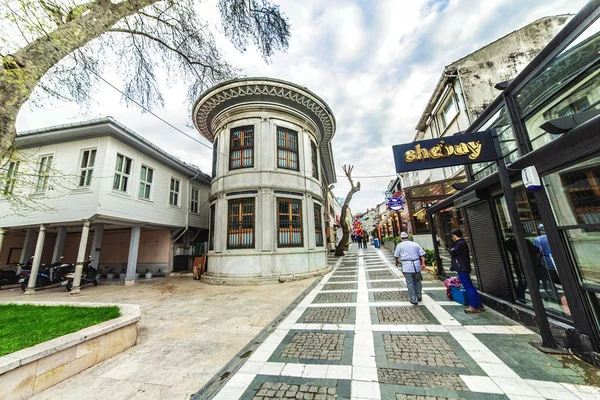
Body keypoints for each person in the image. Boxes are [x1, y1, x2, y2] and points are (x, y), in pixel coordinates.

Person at [449, 228, 484, 313]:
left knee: (468, 286)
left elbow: (452, 251)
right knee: (469, 286)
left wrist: (451, 250)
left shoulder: (460, 244)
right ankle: (478, 304)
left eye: (453, 235)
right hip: (463, 266)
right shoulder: (462, 243)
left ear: (455, 235)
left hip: (462, 267)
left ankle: (474, 306)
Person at [394, 232, 426, 305]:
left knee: (410, 282)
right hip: (416, 265)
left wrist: (396, 262)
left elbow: (396, 255)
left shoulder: (399, 245)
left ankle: (414, 299)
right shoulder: (415, 244)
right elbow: (422, 254)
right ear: (407, 236)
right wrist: (423, 263)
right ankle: (419, 296)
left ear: (400, 238)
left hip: (407, 266)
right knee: (418, 281)